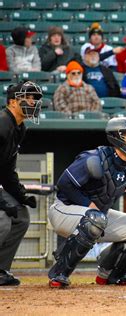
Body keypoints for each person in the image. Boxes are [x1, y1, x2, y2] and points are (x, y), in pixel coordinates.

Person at [47, 117, 126, 288]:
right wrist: (87, 204)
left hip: (98, 217)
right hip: (64, 210)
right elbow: (64, 184)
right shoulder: (94, 158)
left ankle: (110, 275)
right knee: (95, 218)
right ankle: (59, 274)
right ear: (118, 137)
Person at [0, 81, 43, 285]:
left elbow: (7, 170)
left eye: (35, 99)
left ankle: (0, 270)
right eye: (28, 97)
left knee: (21, 216)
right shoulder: (1, 123)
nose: (33, 102)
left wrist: (20, 195)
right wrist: (1, 201)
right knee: (2, 220)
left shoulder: (19, 128)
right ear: (12, 102)